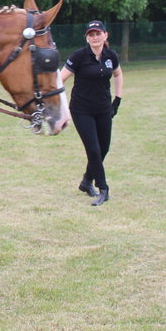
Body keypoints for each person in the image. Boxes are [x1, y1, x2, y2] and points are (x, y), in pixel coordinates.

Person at [59, 20, 124, 206]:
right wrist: (57, 104)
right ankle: (103, 188)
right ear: (87, 38)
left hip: (103, 109)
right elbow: (60, 79)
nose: (95, 37)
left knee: (103, 149)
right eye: (91, 34)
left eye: (98, 34)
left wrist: (117, 99)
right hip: (81, 110)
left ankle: (86, 181)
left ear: (105, 35)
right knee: (93, 149)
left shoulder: (111, 55)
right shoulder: (79, 56)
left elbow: (118, 74)